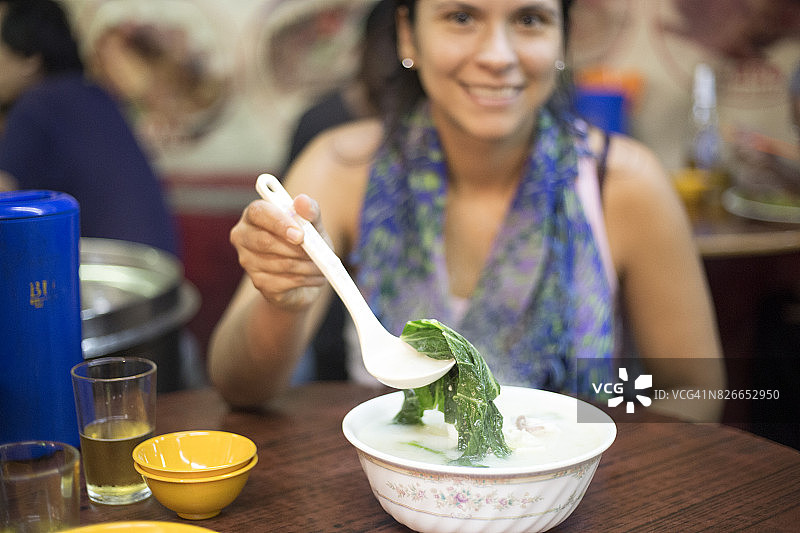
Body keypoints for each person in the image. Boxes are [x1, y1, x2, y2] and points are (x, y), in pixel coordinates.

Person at [209, 0, 725, 421]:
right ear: (409, 36)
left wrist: (582, 448)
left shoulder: (625, 184)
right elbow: (239, 388)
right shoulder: (340, 169)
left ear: (562, 38)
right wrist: (283, 299)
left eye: (529, 19)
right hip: (390, 490)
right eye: (461, 17)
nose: (497, 55)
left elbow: (697, 391)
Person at [0, 0, 178, 255]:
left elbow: (2, 198)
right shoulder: (93, 95)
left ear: (29, 59)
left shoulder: (36, 106)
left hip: (113, 284)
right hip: (161, 277)